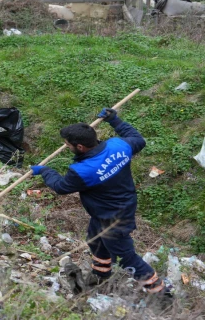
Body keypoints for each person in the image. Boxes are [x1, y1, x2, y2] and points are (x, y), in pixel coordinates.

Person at [29, 108, 170, 296]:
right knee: (96, 240)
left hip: (114, 217)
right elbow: (138, 139)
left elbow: (61, 187)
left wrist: (45, 171)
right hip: (113, 207)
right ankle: (101, 275)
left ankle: (163, 294)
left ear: (80, 147)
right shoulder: (119, 146)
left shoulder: (83, 171)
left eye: (67, 144)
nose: (66, 146)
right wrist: (115, 121)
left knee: (125, 257)